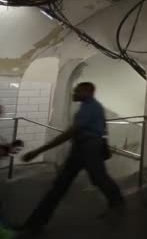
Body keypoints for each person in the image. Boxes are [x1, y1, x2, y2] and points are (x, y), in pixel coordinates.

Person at [17, 82, 125, 234]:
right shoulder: (91, 107)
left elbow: (70, 132)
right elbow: (102, 127)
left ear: (88, 92)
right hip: (84, 147)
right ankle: (35, 223)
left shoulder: (90, 108)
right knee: (90, 179)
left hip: (88, 149)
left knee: (90, 180)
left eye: (77, 91)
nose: (74, 93)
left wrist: (38, 151)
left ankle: (35, 223)